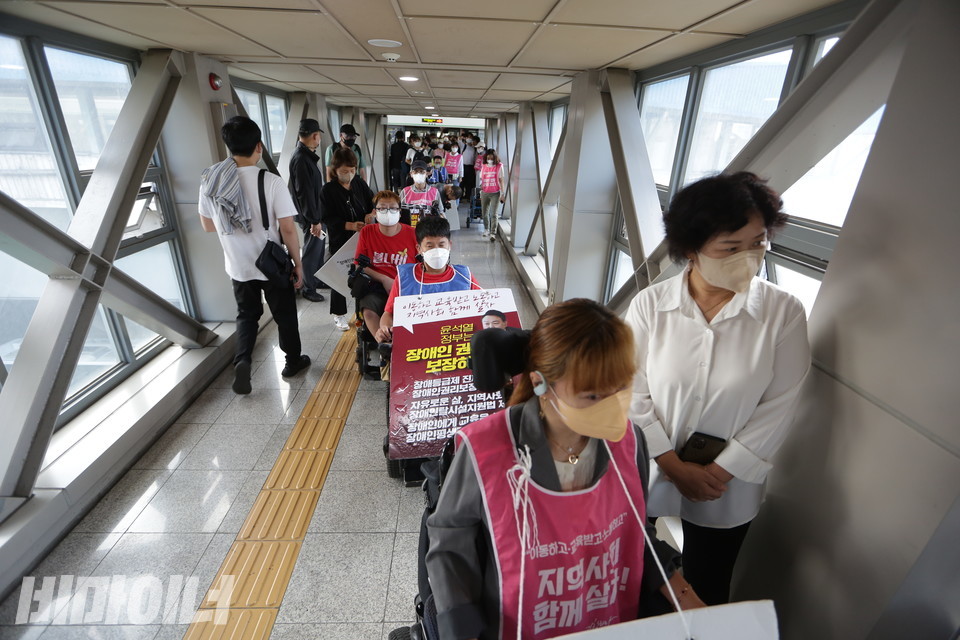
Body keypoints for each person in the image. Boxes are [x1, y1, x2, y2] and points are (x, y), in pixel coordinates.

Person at [426, 299, 705, 640]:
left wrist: (686, 597)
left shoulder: (629, 443)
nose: (613, 408)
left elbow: (635, 531)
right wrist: (463, 630)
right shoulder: (485, 450)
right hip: (519, 624)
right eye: (591, 396)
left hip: (608, 618)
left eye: (621, 389)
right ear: (540, 383)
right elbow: (450, 546)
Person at [626, 171, 811, 606]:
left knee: (710, 584)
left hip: (727, 485)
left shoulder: (782, 313)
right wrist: (671, 463)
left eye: (759, 243)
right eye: (731, 248)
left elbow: (781, 405)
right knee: (637, 571)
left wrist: (718, 472)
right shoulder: (651, 306)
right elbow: (630, 391)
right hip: (649, 467)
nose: (751, 257)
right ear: (691, 250)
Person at [198, 116, 311, 394]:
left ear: (229, 147)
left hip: (237, 265)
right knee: (285, 315)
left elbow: (207, 225)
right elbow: (287, 229)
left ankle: (243, 360)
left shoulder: (210, 180)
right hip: (270, 263)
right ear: (258, 146)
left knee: (247, 315)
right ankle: (292, 362)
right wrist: (298, 264)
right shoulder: (270, 181)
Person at [374, 215, 480, 344]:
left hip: (454, 347)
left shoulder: (465, 276)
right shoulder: (405, 278)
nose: (437, 251)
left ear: (449, 245)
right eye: (429, 246)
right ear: (419, 249)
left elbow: (484, 308)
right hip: (416, 347)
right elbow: (388, 313)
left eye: (441, 244)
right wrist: (384, 328)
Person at [320, 148, 374, 331]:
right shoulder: (328, 190)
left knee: (364, 273)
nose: (349, 175)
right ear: (335, 170)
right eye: (344, 171)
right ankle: (339, 314)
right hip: (340, 239)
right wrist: (349, 225)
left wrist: (370, 214)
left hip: (362, 238)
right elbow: (326, 217)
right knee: (340, 276)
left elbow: (372, 202)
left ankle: (364, 311)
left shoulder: (359, 183)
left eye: (352, 170)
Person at [353, 190, 418, 339]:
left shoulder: (412, 233)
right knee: (368, 311)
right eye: (382, 208)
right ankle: (383, 344)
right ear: (375, 212)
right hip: (376, 286)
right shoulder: (367, 232)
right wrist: (383, 279)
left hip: (405, 287)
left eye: (393, 208)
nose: (388, 212)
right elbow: (359, 264)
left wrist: (399, 283)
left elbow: (420, 266)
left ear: (400, 212)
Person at [287, 118, 326, 303]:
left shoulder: (306, 155)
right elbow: (305, 194)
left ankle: (316, 280)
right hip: (311, 216)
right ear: (315, 136)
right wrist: (314, 220)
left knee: (318, 250)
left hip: (315, 214)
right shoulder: (301, 159)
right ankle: (308, 288)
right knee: (311, 251)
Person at [400, 160, 443, 224]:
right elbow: (398, 211)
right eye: (416, 172)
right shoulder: (405, 192)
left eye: (422, 172)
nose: (418, 174)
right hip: (410, 227)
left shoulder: (434, 192)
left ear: (427, 174)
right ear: (411, 174)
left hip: (429, 228)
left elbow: (441, 212)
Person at [478, 148, 505, 241]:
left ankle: (493, 233)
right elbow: (482, 179)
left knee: (494, 214)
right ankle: (486, 229)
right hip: (485, 192)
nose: (490, 159)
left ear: (495, 158)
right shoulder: (484, 166)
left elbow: (501, 180)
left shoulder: (499, 166)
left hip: (495, 193)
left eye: (492, 158)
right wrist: (480, 190)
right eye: (488, 157)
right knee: (484, 213)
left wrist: (503, 193)